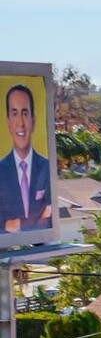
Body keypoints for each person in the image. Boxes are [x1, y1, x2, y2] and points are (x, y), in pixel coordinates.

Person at [1, 82, 52, 233]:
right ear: (8, 122)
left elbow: (50, 215)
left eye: (25, 113)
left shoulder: (46, 168)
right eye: (15, 113)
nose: (21, 123)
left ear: (33, 120)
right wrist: (35, 220)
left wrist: (13, 224)